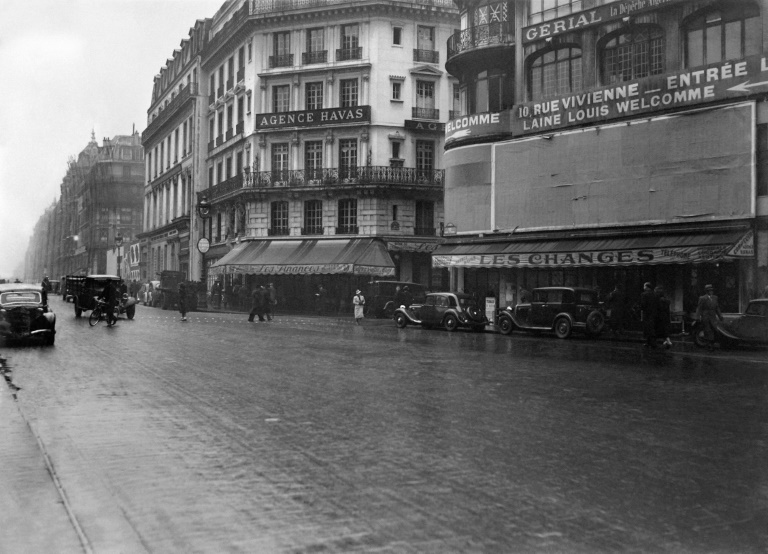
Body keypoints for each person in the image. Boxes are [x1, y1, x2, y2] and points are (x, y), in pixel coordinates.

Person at [694, 284, 724, 351]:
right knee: (708, 331)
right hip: (706, 317)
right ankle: (709, 345)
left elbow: (717, 308)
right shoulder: (702, 298)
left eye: (711, 290)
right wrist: (697, 317)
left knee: (715, 330)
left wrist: (720, 316)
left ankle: (712, 343)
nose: (711, 292)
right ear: (706, 291)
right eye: (709, 290)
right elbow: (699, 308)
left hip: (713, 317)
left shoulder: (715, 298)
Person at [640, 282, 657, 348]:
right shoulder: (655, 294)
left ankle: (650, 342)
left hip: (647, 313)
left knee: (647, 328)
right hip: (654, 313)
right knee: (652, 327)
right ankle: (651, 342)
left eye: (644, 286)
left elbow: (643, 305)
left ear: (646, 287)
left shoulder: (644, 294)